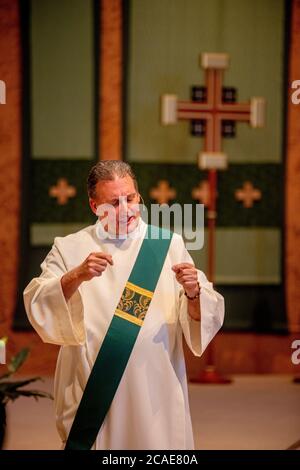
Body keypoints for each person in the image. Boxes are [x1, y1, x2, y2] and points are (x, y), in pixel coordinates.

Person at [23, 160, 224, 450]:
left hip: (155, 386)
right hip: (94, 386)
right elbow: (39, 302)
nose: (126, 210)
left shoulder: (166, 244)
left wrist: (194, 293)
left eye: (130, 199)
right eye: (113, 203)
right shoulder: (69, 248)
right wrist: (76, 276)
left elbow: (199, 315)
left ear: (139, 197)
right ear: (94, 206)